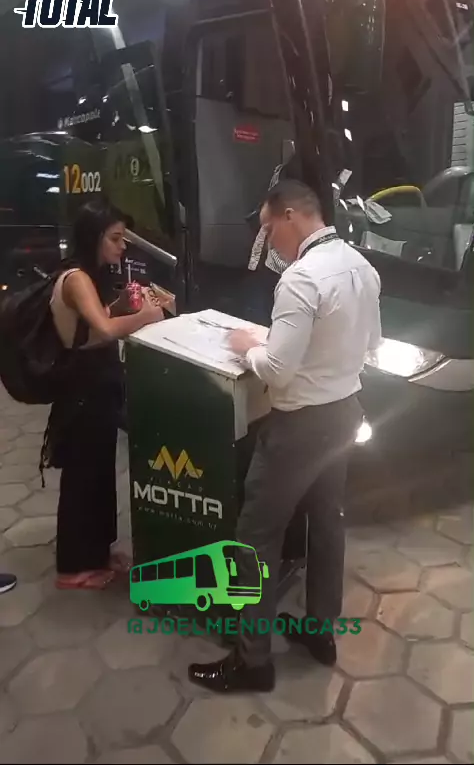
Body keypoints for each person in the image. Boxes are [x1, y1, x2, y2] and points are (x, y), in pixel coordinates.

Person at [189, 179, 381, 693]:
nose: (268, 242)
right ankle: (320, 632)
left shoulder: (301, 278)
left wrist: (246, 345)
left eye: (268, 229)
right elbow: (371, 344)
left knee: (257, 534)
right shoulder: (362, 266)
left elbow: (276, 370)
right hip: (345, 412)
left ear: (291, 215)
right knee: (327, 522)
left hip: (298, 427)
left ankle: (252, 662)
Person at [43, 199, 164, 590]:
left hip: (97, 387)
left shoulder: (89, 277)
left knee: (99, 472)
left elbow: (98, 320)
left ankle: (96, 552)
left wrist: (122, 305)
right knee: (82, 476)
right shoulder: (76, 278)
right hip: (82, 389)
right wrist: (144, 316)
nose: (122, 246)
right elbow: (107, 331)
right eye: (115, 238)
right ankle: (72, 568)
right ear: (93, 237)